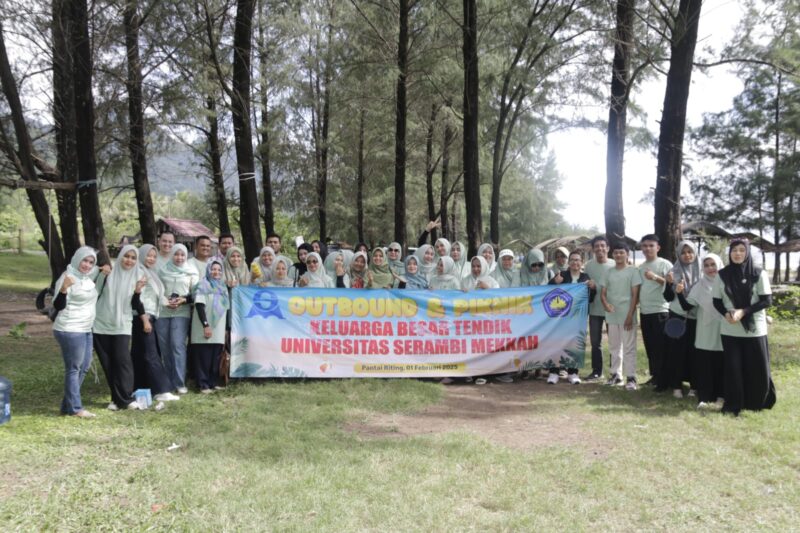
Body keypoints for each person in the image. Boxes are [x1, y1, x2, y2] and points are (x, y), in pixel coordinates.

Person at [712, 239, 776, 416]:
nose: (737, 253)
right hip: (730, 328)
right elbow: (716, 301)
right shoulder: (722, 274)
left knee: (757, 367)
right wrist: (726, 314)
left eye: (741, 250)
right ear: (729, 254)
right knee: (733, 368)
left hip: (755, 329)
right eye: (734, 250)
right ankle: (733, 404)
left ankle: (756, 402)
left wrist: (743, 312)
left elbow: (766, 300)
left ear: (747, 253)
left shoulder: (758, 273)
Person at [52, 247, 105, 418]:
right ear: (77, 259)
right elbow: (58, 306)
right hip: (70, 329)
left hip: (86, 328)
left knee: (84, 366)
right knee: (74, 368)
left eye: (91, 262)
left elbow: (96, 271)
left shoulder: (87, 278)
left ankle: (67, 406)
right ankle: (75, 409)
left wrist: (103, 271)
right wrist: (64, 289)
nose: (87, 265)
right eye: (85, 260)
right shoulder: (68, 276)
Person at [93, 245, 147, 410]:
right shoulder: (107, 273)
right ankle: (116, 399)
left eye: (133, 258)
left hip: (122, 324)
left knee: (123, 362)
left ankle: (127, 398)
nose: (129, 260)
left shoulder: (139, 276)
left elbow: (136, 305)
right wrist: (100, 274)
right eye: (126, 256)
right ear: (120, 256)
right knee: (108, 363)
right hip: (101, 324)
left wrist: (138, 291)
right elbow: (94, 293)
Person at [131, 244, 179, 403]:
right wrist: (144, 319)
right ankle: (161, 390)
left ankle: (141, 388)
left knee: (140, 354)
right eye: (148, 256)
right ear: (141, 256)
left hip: (149, 315)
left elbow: (155, 296)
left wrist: (167, 302)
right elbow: (138, 299)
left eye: (154, 256)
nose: (151, 258)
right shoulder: (139, 272)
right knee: (152, 354)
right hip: (142, 317)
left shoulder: (149, 272)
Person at [676, 254, 725, 409]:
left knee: (722, 365)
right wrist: (679, 293)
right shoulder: (699, 285)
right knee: (704, 366)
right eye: (707, 265)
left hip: (724, 330)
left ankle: (721, 396)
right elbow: (686, 307)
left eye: (713, 264)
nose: (711, 268)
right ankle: (703, 397)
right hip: (704, 332)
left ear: (719, 265)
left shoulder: (727, 284)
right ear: (703, 269)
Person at [546, 250, 595, 385]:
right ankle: (554, 372)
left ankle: (573, 372)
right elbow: (547, 291)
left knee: (575, 344)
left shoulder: (586, 277)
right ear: (569, 262)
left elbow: (590, 299)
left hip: (577, 318)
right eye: (572, 260)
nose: (575, 262)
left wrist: (593, 288)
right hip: (560, 317)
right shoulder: (562, 275)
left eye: (578, 260)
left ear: (582, 262)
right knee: (556, 343)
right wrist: (555, 282)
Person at [157, 244, 200, 394]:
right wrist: (164, 300)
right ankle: (168, 381)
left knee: (177, 345)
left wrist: (183, 300)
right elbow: (156, 290)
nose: (179, 257)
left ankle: (180, 382)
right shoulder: (162, 270)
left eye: (182, 255)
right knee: (165, 347)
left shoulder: (191, 272)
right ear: (172, 255)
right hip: (163, 312)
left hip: (182, 312)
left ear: (186, 256)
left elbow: (196, 293)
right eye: (176, 254)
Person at [600, 242, 641, 390]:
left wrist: (630, 315)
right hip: (612, 315)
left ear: (627, 254)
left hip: (627, 315)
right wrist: (605, 304)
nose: (618, 255)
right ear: (613, 254)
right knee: (614, 347)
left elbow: (635, 295)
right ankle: (616, 375)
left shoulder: (633, 272)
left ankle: (631, 377)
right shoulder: (608, 272)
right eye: (616, 252)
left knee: (629, 347)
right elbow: (603, 293)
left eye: (621, 252)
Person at [662, 240, 701, 398]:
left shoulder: (702, 270)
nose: (687, 255)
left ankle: (694, 386)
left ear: (695, 253)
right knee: (676, 351)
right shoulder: (674, 271)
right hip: (677, 316)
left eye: (690, 252)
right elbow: (668, 297)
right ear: (678, 254)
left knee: (694, 352)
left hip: (696, 317)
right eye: (683, 252)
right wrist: (669, 284)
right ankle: (676, 386)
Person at [637, 234, 672, 388]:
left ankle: (664, 379)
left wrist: (655, 277)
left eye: (651, 245)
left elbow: (672, 284)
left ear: (658, 247)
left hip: (661, 310)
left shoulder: (665, 264)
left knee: (661, 346)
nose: (648, 248)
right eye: (645, 246)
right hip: (645, 311)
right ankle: (655, 376)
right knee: (650, 345)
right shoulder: (640, 267)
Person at [191, 260, 230, 393]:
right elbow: (200, 306)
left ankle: (213, 383)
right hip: (204, 327)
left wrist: (225, 328)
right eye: (213, 269)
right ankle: (203, 385)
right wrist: (206, 325)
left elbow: (225, 309)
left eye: (219, 270)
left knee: (215, 357)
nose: (216, 272)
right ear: (208, 270)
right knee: (203, 357)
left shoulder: (223, 287)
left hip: (218, 328)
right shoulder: (203, 285)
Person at [583, 235, 614, 382]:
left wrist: (598, 286)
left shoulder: (615, 264)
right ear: (593, 249)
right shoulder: (588, 265)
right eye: (597, 246)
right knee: (595, 342)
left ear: (607, 248)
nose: (600, 248)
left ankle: (615, 373)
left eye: (603, 245)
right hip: (594, 309)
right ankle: (597, 371)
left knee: (614, 342)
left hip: (611, 310)